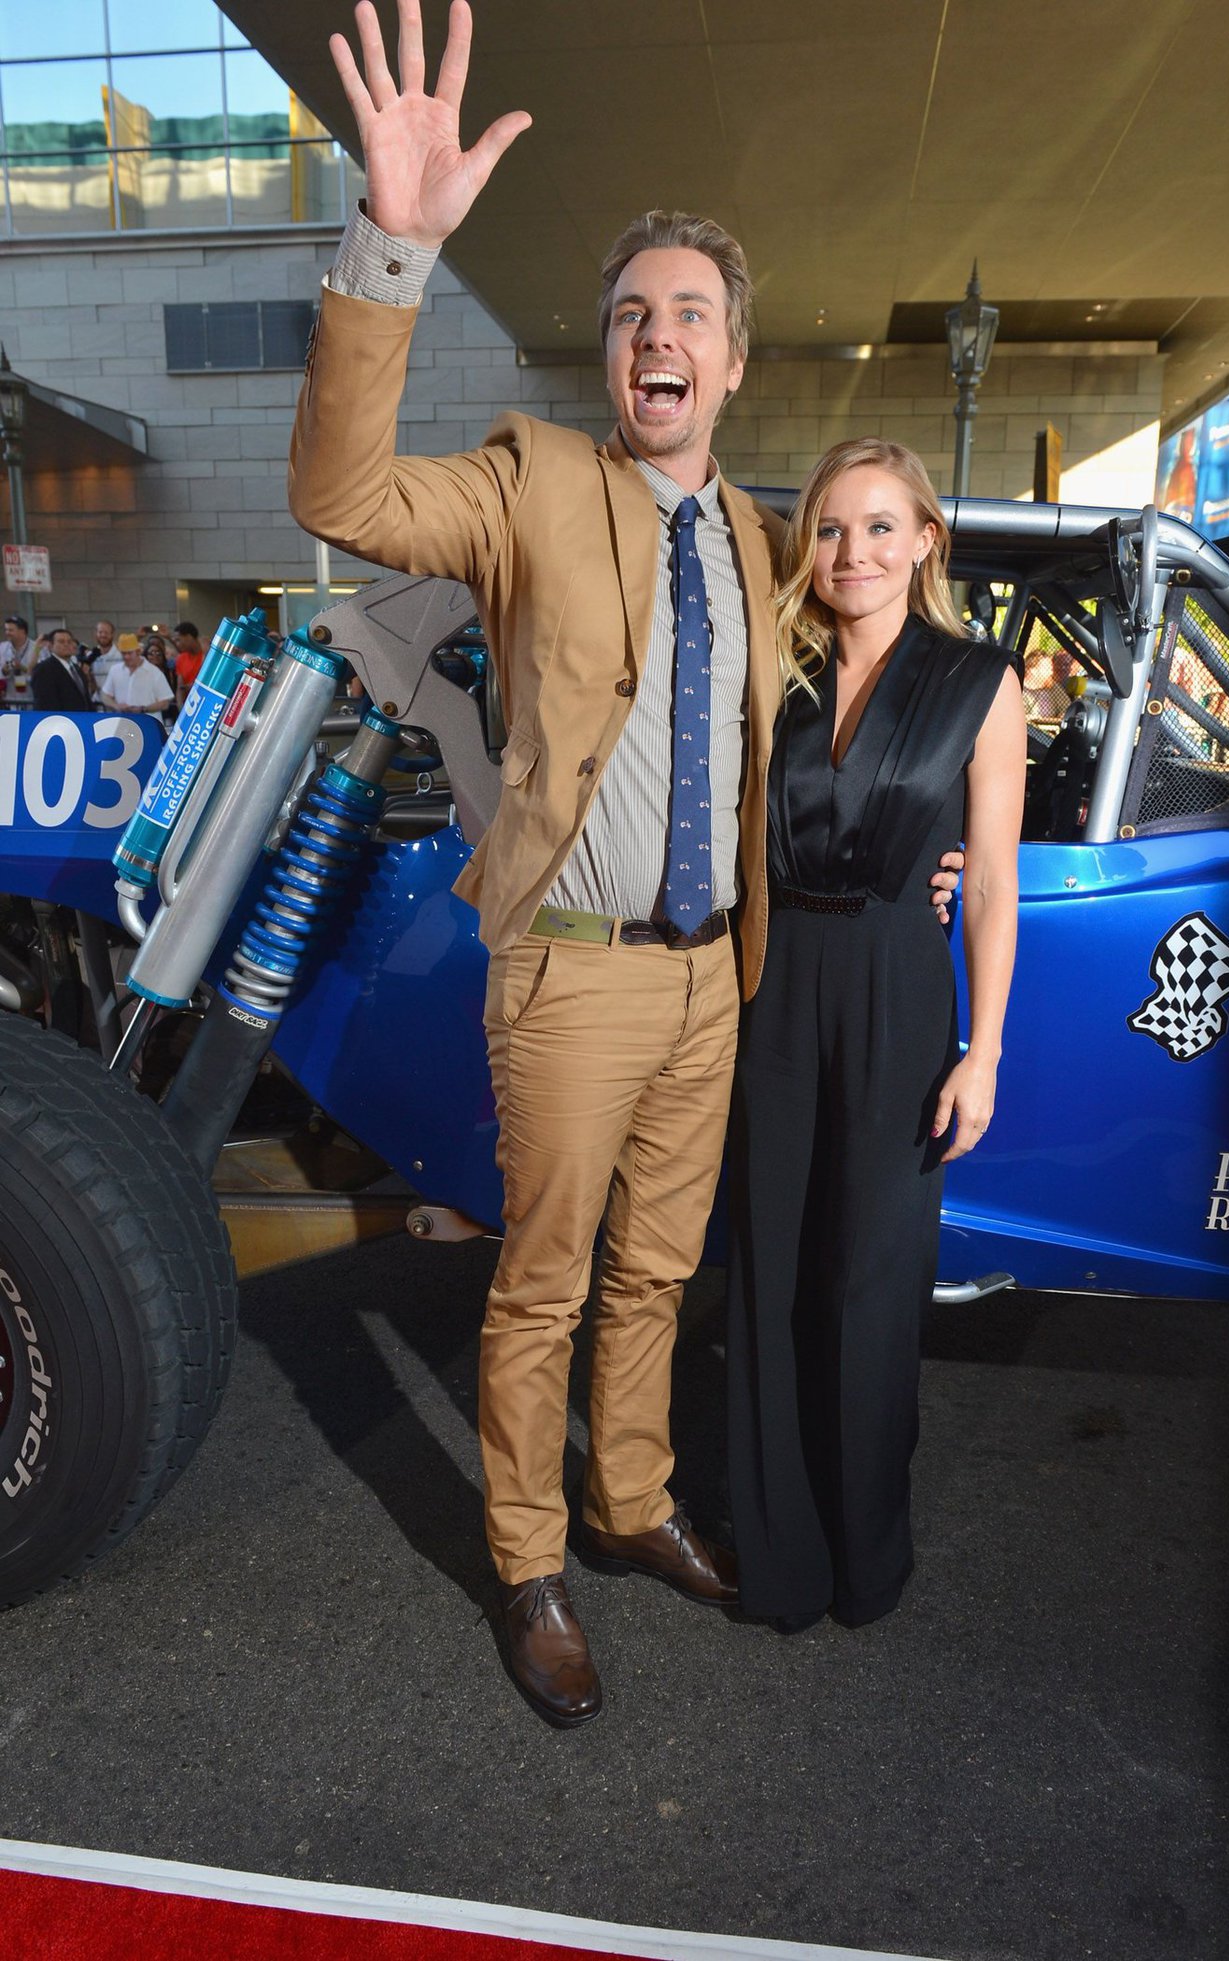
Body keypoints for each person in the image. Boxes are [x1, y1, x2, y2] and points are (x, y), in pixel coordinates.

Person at [291, 0, 960, 1728]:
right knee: (545, 1279)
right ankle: (528, 1561)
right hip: (574, 967)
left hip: (713, 978)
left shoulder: (762, 541)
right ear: (610, 357)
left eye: (689, 316)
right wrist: (391, 250)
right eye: (630, 315)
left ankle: (630, 1498)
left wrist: (924, 857)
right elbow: (345, 498)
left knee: (662, 1271)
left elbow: (861, 706)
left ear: (731, 364)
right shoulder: (527, 483)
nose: (656, 335)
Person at [727, 438, 1025, 1635]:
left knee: (871, 1279)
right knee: (770, 1269)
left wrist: (982, 1050)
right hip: (770, 985)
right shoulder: (773, 669)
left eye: (879, 526)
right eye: (830, 528)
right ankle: (780, 1557)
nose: (852, 551)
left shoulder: (978, 681)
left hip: (901, 987)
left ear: (924, 542)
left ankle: (865, 1555)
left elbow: (989, 881)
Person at [102, 633, 174, 725]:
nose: (126, 657)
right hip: (123, 725)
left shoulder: (154, 672)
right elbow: (105, 696)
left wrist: (143, 709)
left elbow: (165, 703)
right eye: (123, 653)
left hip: (149, 724)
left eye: (129, 653)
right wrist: (116, 706)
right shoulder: (115, 670)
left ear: (138, 652)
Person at [31, 627, 94, 711]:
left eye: (69, 642)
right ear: (50, 646)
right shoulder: (44, 669)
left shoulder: (76, 668)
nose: (66, 644)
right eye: (61, 641)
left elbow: (85, 698)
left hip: (82, 717)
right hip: (59, 718)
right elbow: (44, 702)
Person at [171, 622, 205, 708]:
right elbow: (180, 688)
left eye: (178, 640)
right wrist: (181, 709)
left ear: (189, 637)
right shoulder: (181, 658)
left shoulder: (206, 654)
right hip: (190, 706)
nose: (177, 644)